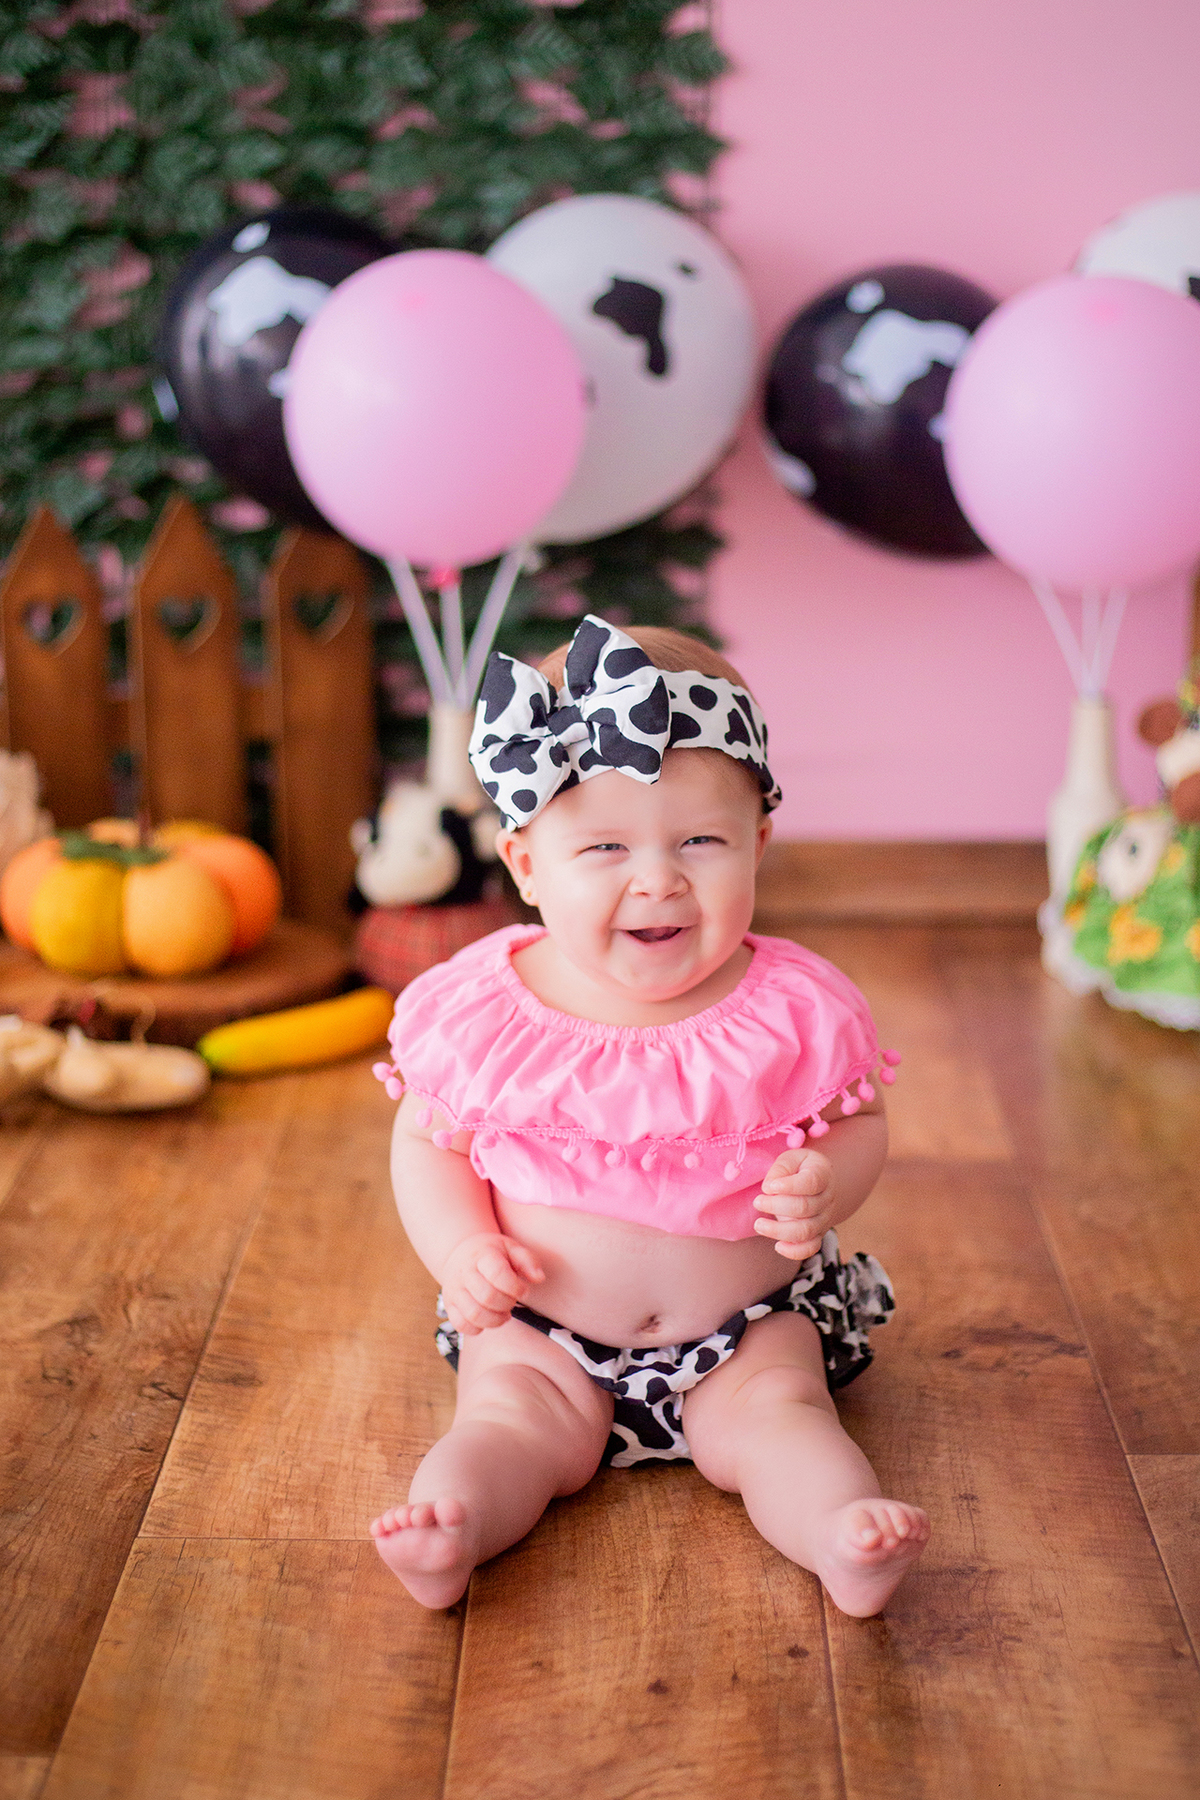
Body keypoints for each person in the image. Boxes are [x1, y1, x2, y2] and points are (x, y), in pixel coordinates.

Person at [370, 616, 929, 1615]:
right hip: (544, 1333)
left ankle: (843, 1538)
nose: (659, 877)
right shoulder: (485, 1011)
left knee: (785, 1420)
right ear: (527, 864)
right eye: (603, 846)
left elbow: (859, 1122)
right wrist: (461, 1252)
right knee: (504, 1426)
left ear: (758, 841)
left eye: (702, 840)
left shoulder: (794, 1010)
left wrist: (826, 1182)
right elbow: (427, 1141)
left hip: (744, 1330)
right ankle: (449, 1528)